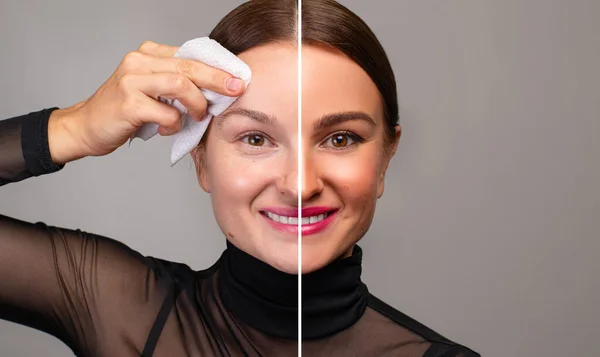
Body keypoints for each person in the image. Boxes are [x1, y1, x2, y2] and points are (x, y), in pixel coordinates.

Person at [0, 0, 480, 356]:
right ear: (200, 160)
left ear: (386, 158)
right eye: (255, 139)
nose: (299, 184)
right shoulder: (113, 305)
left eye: (340, 139)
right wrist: (73, 127)